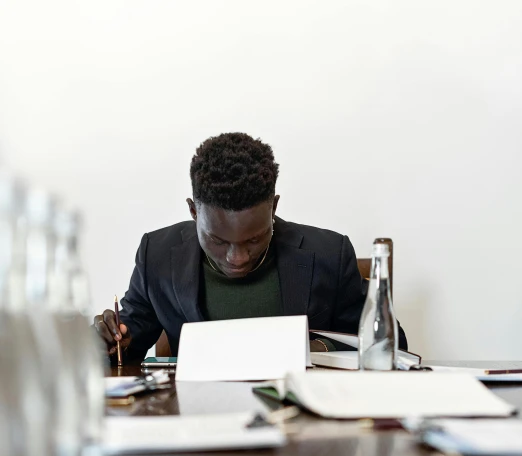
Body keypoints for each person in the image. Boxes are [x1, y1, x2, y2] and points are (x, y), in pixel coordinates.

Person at [94, 132, 407, 358]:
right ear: (193, 212)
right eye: (217, 240)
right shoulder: (158, 254)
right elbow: (130, 337)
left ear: (273, 208)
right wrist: (110, 338)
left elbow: (390, 343)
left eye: (254, 239)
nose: (237, 258)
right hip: (196, 420)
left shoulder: (328, 254)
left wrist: (319, 349)